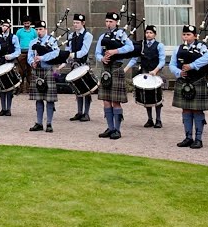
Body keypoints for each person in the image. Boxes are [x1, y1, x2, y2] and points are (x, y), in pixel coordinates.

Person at [171, 24, 208, 149]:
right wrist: (179, 72)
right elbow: (172, 64)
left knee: (197, 110)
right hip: (183, 81)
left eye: (188, 35)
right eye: (184, 34)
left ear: (195, 36)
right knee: (185, 110)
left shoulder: (201, 46)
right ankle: (188, 137)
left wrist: (192, 65)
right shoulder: (178, 49)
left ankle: (198, 139)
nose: (186, 37)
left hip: (197, 80)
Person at [95, 12, 135, 140]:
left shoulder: (122, 35)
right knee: (106, 100)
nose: (108, 24)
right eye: (106, 21)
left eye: (111, 21)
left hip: (117, 68)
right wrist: (102, 59)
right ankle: (110, 128)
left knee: (115, 101)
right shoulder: (103, 36)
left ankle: (117, 130)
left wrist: (115, 51)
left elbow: (130, 47)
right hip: (106, 68)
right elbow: (97, 52)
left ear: (116, 22)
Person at [126, 25, 165, 129]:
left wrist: (155, 71)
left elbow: (162, 61)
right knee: (146, 95)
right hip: (144, 72)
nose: (148, 35)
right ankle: (149, 119)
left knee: (157, 95)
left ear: (155, 34)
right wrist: (126, 69)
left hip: (156, 72)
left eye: (151, 33)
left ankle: (158, 119)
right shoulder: (142, 45)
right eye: (147, 33)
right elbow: (134, 59)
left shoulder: (159, 45)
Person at [27, 20, 61, 133]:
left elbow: (56, 54)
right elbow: (29, 56)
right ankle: (39, 123)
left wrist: (42, 58)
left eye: (40, 29)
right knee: (38, 98)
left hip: (48, 70)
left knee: (49, 99)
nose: (38, 32)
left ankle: (49, 123)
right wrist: (32, 62)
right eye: (36, 29)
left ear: (45, 29)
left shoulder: (52, 41)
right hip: (37, 71)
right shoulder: (32, 42)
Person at [60, 14, 94, 122]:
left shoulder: (88, 35)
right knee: (77, 88)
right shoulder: (71, 35)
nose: (75, 25)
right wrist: (64, 61)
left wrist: (72, 55)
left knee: (86, 89)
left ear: (83, 23)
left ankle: (86, 113)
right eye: (74, 23)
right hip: (74, 64)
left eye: (77, 23)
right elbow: (68, 49)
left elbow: (84, 50)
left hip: (83, 64)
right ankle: (79, 112)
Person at [0, 19, 21, 117]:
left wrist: (10, 56)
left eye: (6, 26)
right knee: (1, 87)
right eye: (3, 26)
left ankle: (8, 109)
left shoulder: (13, 37)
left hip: (10, 63)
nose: (4, 27)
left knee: (9, 86)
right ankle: (3, 108)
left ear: (9, 27)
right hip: (0, 63)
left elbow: (18, 51)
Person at [15, 17, 37, 94]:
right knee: (20, 71)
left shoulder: (34, 31)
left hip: (31, 53)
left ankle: (29, 89)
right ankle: (20, 88)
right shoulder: (19, 32)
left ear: (30, 23)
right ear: (23, 23)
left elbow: (36, 41)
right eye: (25, 23)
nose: (26, 24)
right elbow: (16, 42)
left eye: (28, 23)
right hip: (21, 53)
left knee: (30, 71)